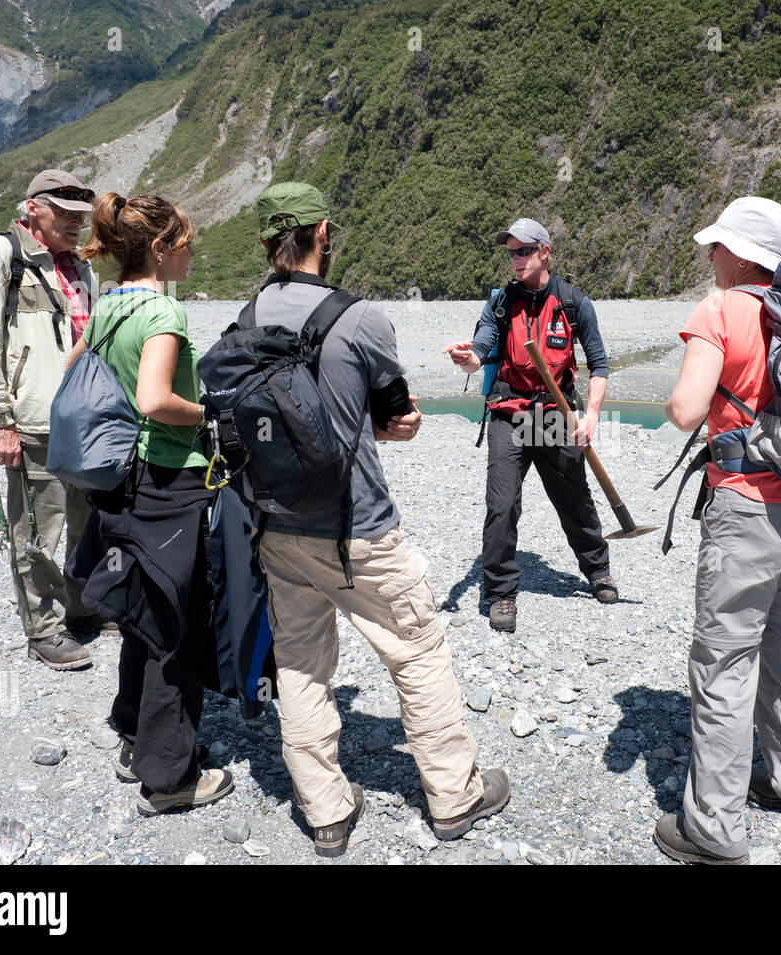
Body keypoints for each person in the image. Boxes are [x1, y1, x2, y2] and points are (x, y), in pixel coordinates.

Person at [248, 182, 508, 855]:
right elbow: (395, 420)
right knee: (416, 649)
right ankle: (454, 797)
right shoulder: (360, 319)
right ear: (323, 232)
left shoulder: (243, 319)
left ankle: (326, 810)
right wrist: (404, 424)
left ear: (266, 241)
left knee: (301, 663)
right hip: (358, 524)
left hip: (276, 525)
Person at [654, 197, 781, 864]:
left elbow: (683, 410)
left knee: (724, 663)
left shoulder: (722, 309)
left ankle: (713, 829)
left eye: (716, 247)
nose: (710, 257)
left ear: (738, 252)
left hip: (748, 511)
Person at [68, 192, 233, 814]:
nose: (192, 250)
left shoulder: (109, 305)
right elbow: (153, 399)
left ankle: (133, 731)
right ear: (161, 249)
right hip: (167, 480)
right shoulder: (164, 313)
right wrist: (211, 411)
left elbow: (74, 370)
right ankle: (169, 777)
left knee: (142, 604)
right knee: (175, 621)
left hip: (119, 481)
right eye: (186, 240)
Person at [0, 170, 110, 669]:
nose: (75, 224)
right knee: (39, 531)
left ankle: (84, 606)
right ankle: (44, 629)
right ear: (33, 209)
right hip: (34, 419)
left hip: (85, 420)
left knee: (88, 521)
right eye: (64, 214)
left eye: (81, 216)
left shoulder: (82, 270)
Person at [442, 218, 616, 633]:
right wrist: (470, 359)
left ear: (544, 252)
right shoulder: (500, 303)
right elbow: (482, 345)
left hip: (555, 417)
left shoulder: (574, 304)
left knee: (574, 500)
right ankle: (501, 592)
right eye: (511, 252)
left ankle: (598, 571)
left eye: (523, 251)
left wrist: (590, 415)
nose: (516, 259)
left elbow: (600, 364)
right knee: (501, 505)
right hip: (509, 413)